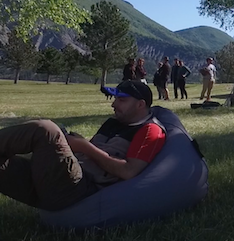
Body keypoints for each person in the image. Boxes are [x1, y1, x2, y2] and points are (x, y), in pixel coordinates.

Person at [0, 80, 166, 211]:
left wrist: (84, 146)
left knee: (45, 129)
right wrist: (73, 143)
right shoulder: (114, 122)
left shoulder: (149, 130)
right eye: (115, 99)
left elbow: (129, 172)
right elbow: (94, 151)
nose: (114, 104)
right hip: (65, 176)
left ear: (140, 104)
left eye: (122, 100)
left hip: (80, 190)